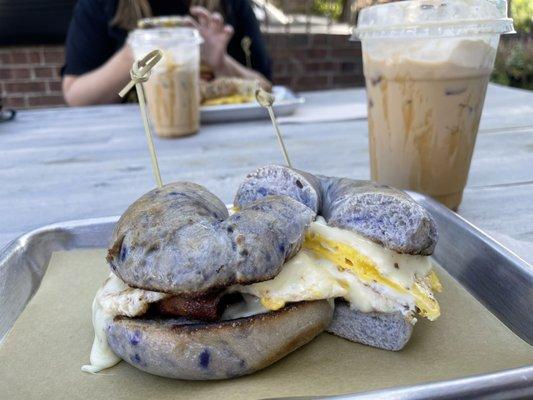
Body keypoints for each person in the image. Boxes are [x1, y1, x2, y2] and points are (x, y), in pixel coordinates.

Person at [62, 0, 271, 106]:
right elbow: (75, 95)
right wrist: (134, 53)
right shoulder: (101, 5)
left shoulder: (231, 5)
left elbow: (267, 90)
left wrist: (221, 63)